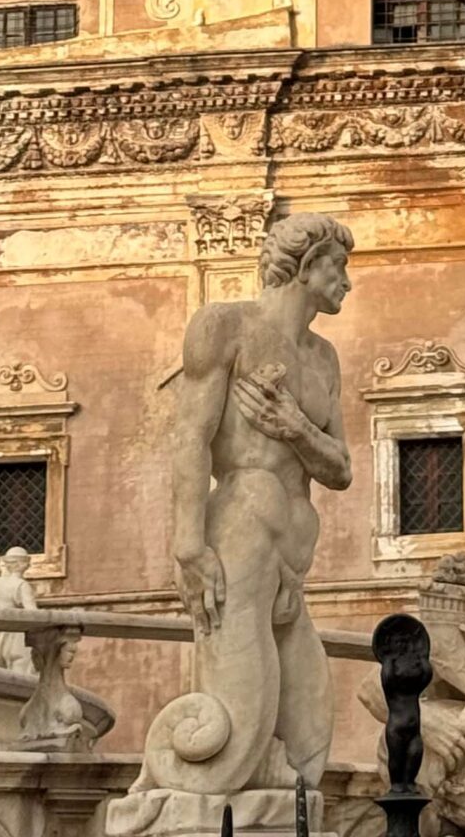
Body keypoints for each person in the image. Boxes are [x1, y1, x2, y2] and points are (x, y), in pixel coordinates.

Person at [126, 213, 354, 815]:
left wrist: (296, 427)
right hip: (241, 530)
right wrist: (188, 546)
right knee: (238, 718)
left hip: (295, 550)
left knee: (308, 736)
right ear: (307, 267)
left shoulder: (324, 359)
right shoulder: (225, 326)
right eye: (339, 267)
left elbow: (340, 468)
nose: (346, 283)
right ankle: (176, 805)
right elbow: (189, 441)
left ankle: (261, 813)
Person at [0, 543, 41, 673]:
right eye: (27, 563)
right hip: (14, 636)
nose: (28, 565)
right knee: (21, 675)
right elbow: (33, 613)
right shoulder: (22, 585)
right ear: (21, 565)